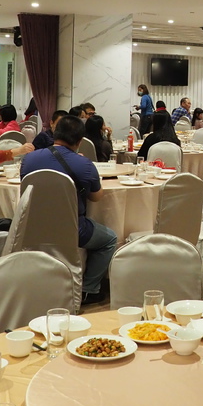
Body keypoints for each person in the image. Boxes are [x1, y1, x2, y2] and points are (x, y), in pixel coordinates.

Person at [19, 116, 117, 305]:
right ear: (80, 141)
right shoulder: (84, 164)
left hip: (32, 227)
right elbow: (96, 197)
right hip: (73, 230)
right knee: (109, 239)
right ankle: (89, 290)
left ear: (55, 133)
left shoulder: (29, 159)